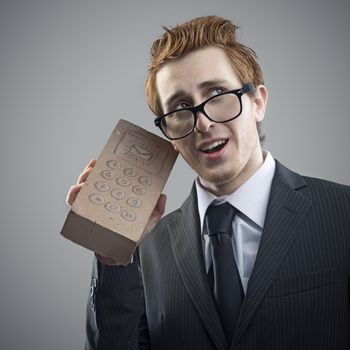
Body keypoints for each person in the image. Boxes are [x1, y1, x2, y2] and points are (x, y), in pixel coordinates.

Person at [66, 16, 350, 350]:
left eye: (217, 93)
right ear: (168, 133)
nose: (202, 123)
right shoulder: (145, 250)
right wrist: (112, 259)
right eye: (181, 107)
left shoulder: (342, 213)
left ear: (257, 102)